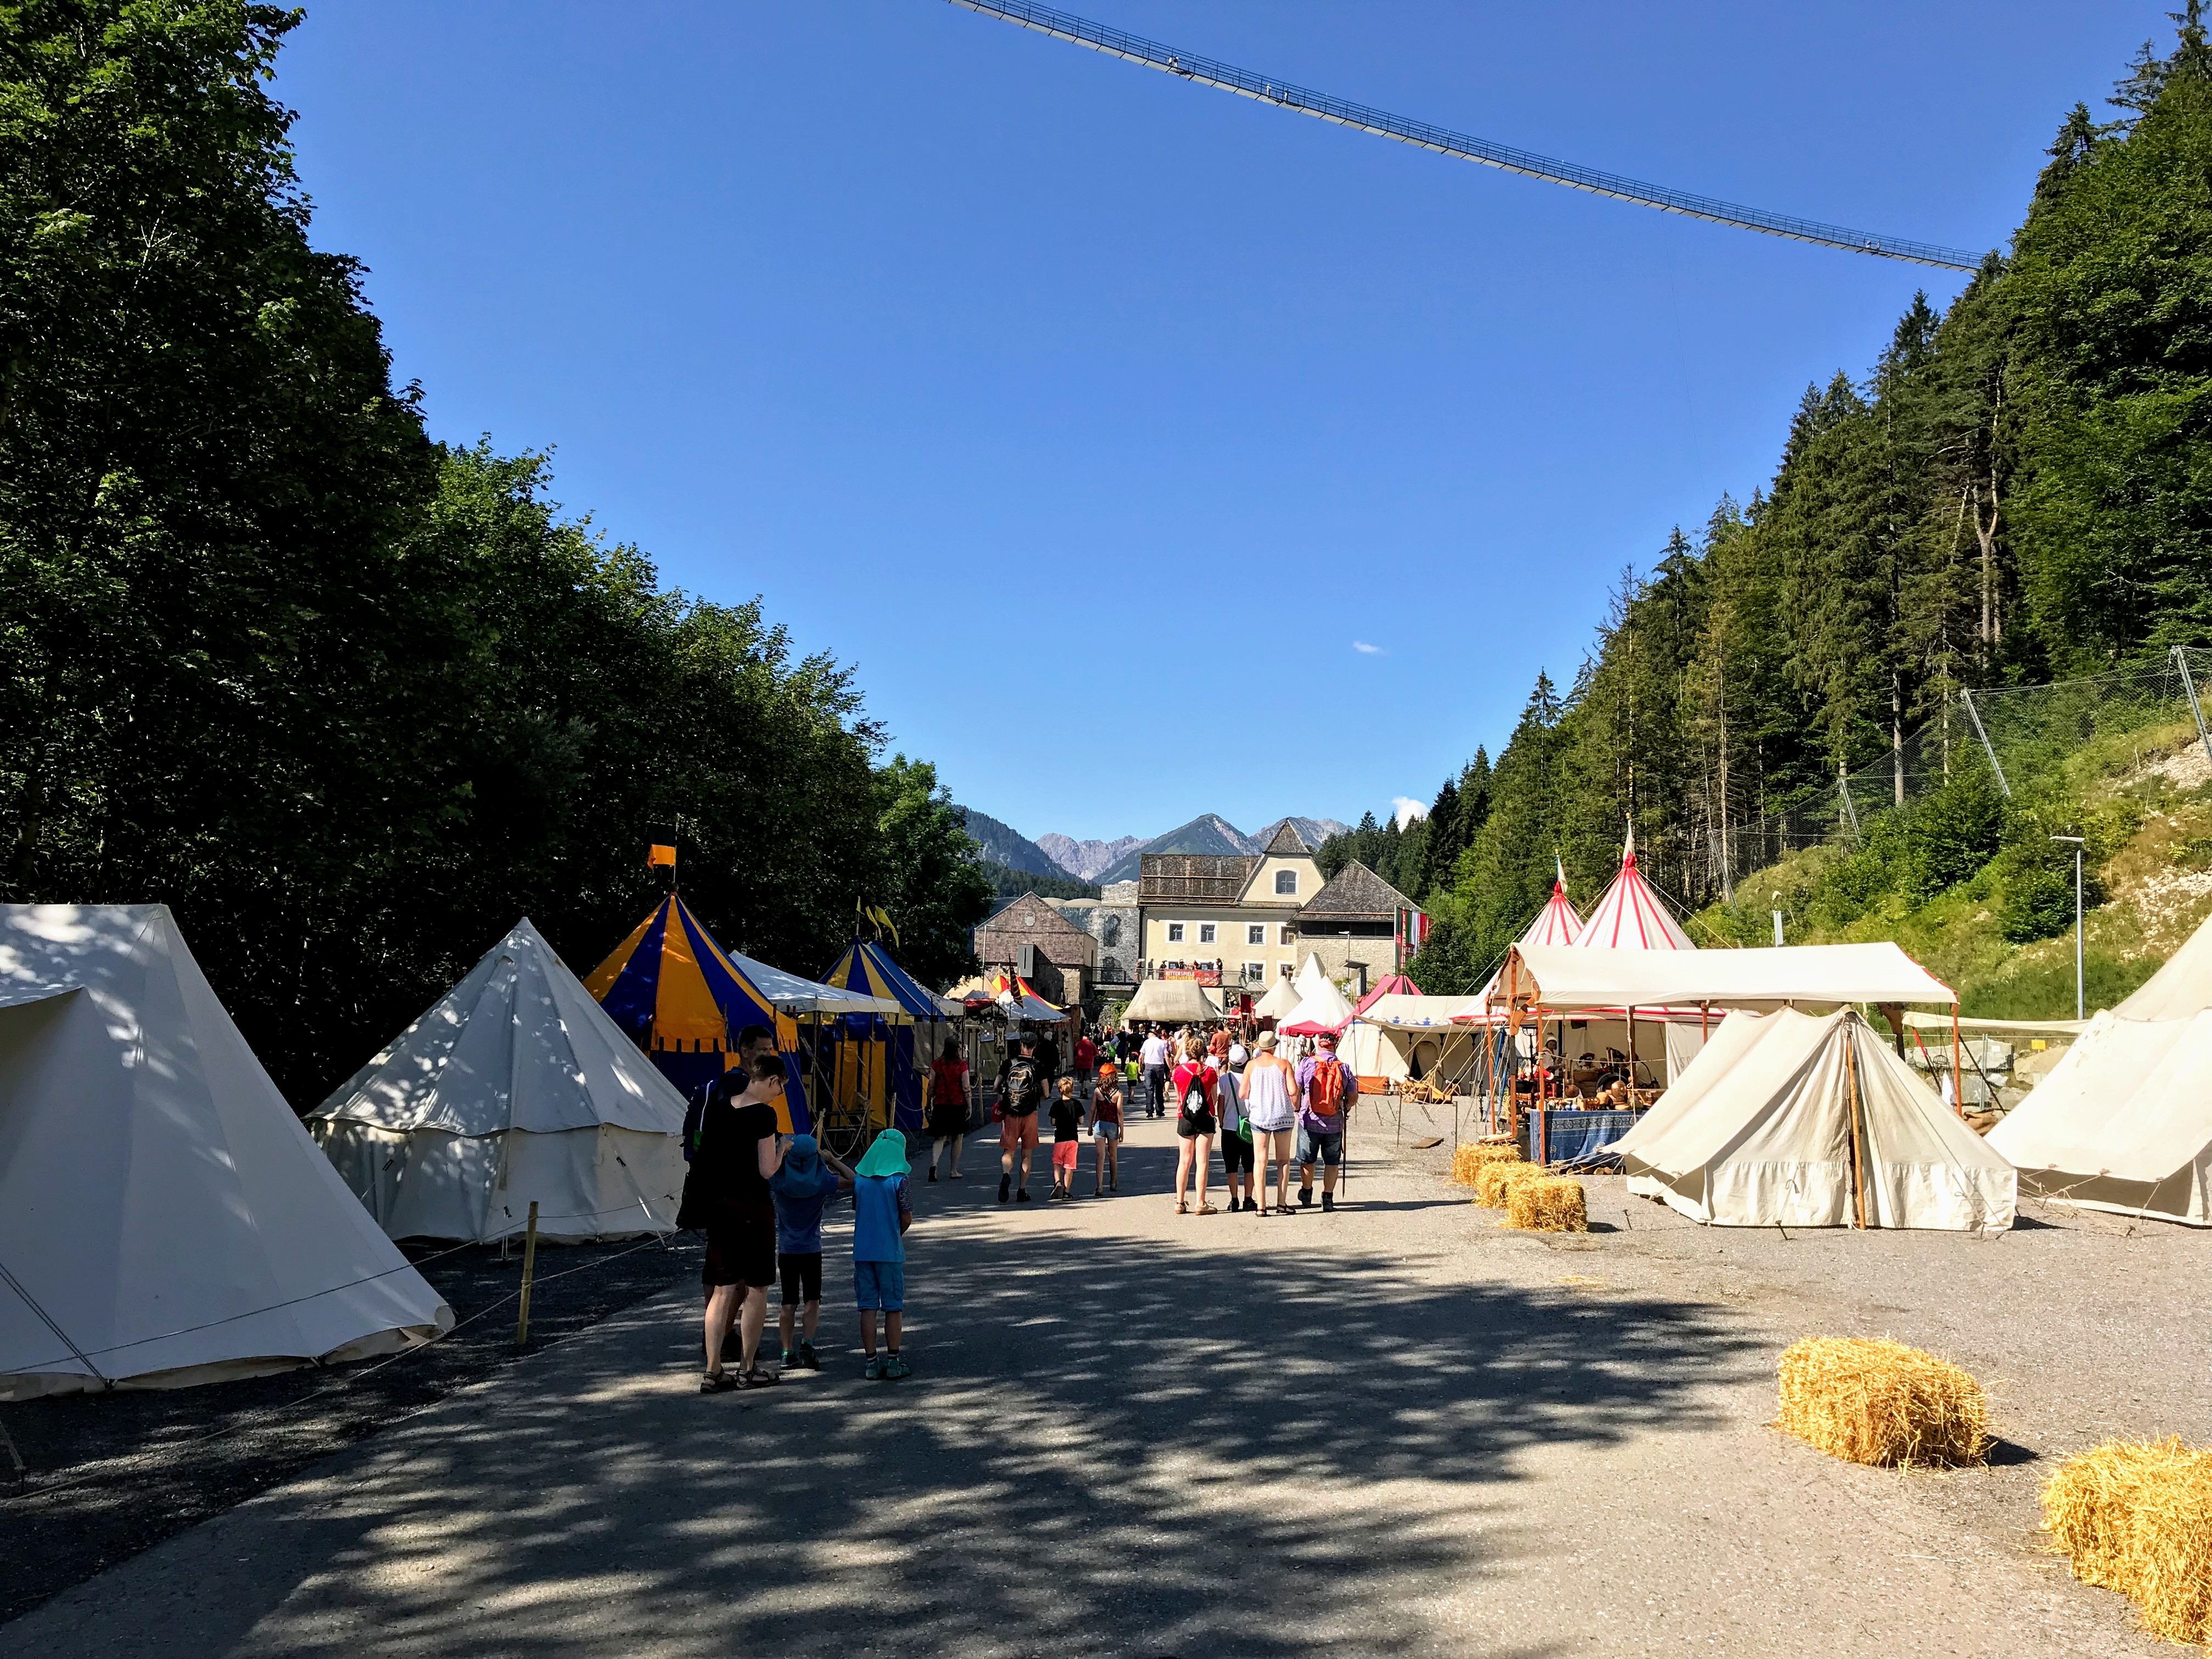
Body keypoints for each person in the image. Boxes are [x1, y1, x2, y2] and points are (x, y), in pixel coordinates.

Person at [691, 1051, 789, 1392]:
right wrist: (783, 1150)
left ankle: (713, 1368)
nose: (779, 1094)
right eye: (780, 1088)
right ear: (772, 1080)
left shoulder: (719, 1107)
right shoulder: (765, 1115)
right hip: (751, 1205)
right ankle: (748, 1368)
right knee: (757, 1287)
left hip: (720, 1206)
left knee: (722, 1289)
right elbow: (766, 1170)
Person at [769, 1132, 853, 1372]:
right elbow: (854, 1180)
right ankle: (807, 1343)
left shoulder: (779, 1180)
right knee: (812, 1300)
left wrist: (780, 1154)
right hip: (811, 1249)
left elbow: (762, 1170)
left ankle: (787, 1351)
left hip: (787, 1249)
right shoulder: (823, 1182)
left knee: (788, 1302)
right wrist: (831, 1160)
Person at [852, 1129, 915, 1380]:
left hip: (863, 1251)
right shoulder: (901, 1180)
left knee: (867, 1306)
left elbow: (858, 1209)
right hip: (889, 1251)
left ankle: (870, 1363)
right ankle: (893, 1361)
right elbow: (906, 1215)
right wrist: (895, 1234)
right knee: (893, 1307)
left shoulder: (859, 1179)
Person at [1295, 1030, 1352, 1212]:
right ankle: (1327, 1198)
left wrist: (1297, 1109)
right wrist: (1345, 1106)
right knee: (1332, 1162)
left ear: (1319, 1043)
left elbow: (1296, 1089)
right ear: (1335, 1044)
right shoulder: (1344, 1068)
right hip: (1334, 1123)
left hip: (1309, 1120)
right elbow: (1353, 1096)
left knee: (1307, 1160)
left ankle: (1306, 1192)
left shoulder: (1307, 1063)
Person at [1242, 1031, 1299, 1214]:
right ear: (1274, 1047)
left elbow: (1243, 1093)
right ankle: (1282, 1203)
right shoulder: (1283, 1064)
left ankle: (1261, 1206)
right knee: (1283, 1160)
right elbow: (1293, 1090)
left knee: (1260, 1161)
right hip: (1282, 1115)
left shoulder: (1251, 1066)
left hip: (1259, 1117)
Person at [1170, 1035, 1218, 1215]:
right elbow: (1213, 1096)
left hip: (1186, 1118)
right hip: (1205, 1117)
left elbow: (1179, 1097)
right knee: (1203, 1161)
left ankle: (1180, 1202)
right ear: (1202, 1052)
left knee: (1184, 1160)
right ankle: (1201, 1202)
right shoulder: (1210, 1071)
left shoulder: (1179, 1072)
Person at [998, 1035, 1044, 1204]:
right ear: (1035, 1046)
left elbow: (997, 1085)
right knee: (1027, 1155)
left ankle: (1005, 1175)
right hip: (1030, 1115)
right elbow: (1046, 1092)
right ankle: (1022, 1190)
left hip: (1011, 1114)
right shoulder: (1038, 1066)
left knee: (1008, 1151)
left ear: (1020, 1045)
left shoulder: (1008, 1064)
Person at [1216, 1036, 1255, 1213]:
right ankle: (1248, 1199)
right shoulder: (1252, 1078)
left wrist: (1222, 1122)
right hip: (1249, 1127)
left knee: (1231, 1166)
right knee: (1249, 1165)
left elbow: (1221, 1104)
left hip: (1230, 1128)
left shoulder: (1224, 1080)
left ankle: (1234, 1200)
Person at [926, 1037, 969, 1180]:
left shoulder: (937, 1064)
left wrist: (929, 1102)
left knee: (940, 1137)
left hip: (941, 1103)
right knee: (957, 1137)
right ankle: (954, 1170)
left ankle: (934, 1165)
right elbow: (966, 1086)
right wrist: (969, 1104)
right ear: (957, 1048)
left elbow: (931, 1085)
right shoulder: (961, 1065)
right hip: (958, 1104)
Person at [1088, 1062, 1123, 1195]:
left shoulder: (1097, 1091)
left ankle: (1099, 1186)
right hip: (1113, 1125)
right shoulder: (1118, 1093)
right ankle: (1113, 1182)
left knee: (1100, 1156)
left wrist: (1090, 1126)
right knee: (1113, 1156)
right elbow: (1119, 1112)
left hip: (1099, 1124)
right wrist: (1122, 1131)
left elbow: (1092, 1109)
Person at [1048, 1076, 1083, 1200]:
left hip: (1060, 1138)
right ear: (1072, 1089)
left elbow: (1053, 1122)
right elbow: (1081, 1120)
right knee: (1069, 1166)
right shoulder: (1077, 1104)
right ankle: (1067, 1192)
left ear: (1059, 1090)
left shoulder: (1056, 1105)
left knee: (1057, 1162)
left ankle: (1058, 1182)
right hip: (1073, 1139)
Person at [1139, 1025, 1172, 1119]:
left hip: (1149, 1066)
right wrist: (1170, 1069)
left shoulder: (1146, 1042)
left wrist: (1141, 1068)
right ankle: (1159, 1111)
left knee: (1149, 1089)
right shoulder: (1162, 1043)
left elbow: (1141, 1057)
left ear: (1151, 1034)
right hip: (1159, 1067)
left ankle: (1149, 1111)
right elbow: (1167, 1057)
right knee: (1159, 1089)